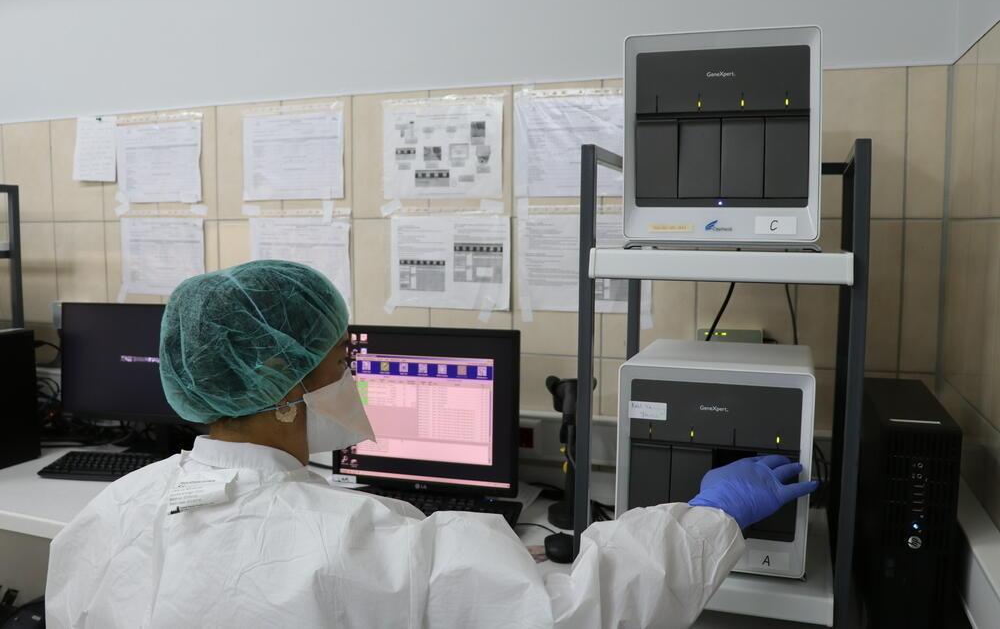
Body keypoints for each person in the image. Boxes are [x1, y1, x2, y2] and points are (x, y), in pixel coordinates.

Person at [46, 260, 817, 629]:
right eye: (343, 364)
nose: (356, 380)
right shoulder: (361, 543)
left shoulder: (106, 517)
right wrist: (712, 514)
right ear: (283, 392)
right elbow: (572, 610)